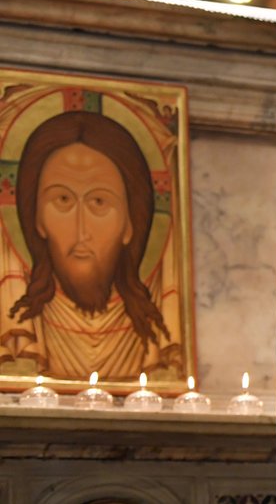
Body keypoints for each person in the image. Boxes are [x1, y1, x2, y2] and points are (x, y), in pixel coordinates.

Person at [0, 111, 177, 379]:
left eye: (99, 202)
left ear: (130, 224)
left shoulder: (150, 340)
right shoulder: (27, 333)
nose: (81, 230)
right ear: (36, 219)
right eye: (62, 200)